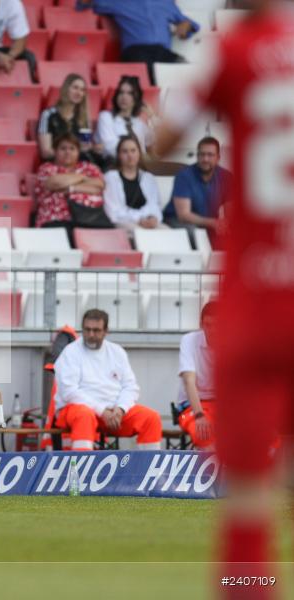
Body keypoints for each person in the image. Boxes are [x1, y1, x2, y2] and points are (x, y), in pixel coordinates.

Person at [153, 0, 294, 575]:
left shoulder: (232, 52)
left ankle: (249, 584)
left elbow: (162, 143)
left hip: (255, 304)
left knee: (248, 499)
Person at [54, 309, 162, 451]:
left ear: (106, 331)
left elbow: (131, 387)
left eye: (96, 330)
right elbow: (69, 392)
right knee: (84, 415)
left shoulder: (117, 352)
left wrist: (120, 409)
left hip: (113, 414)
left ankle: (150, 470)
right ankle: (81, 471)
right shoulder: (71, 352)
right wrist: (102, 411)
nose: (91, 335)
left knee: (151, 418)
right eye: (87, 330)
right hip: (77, 411)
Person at [76, 0, 199, 83]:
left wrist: (185, 26)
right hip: (137, 51)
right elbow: (83, 4)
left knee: (188, 73)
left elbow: (190, 24)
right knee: (154, 75)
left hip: (163, 52)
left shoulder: (165, 2)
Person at [162, 137, 231, 244]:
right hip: (177, 220)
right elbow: (184, 215)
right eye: (202, 154)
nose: (205, 159)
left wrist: (226, 225)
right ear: (197, 156)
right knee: (194, 232)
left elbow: (231, 211)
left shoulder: (226, 177)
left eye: (210, 155)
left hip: (209, 222)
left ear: (218, 158)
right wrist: (213, 223)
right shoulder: (184, 176)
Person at [33, 134, 106, 233]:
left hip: (90, 220)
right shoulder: (47, 168)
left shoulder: (89, 167)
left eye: (72, 148)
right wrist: (83, 177)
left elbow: (99, 186)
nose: (68, 152)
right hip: (55, 220)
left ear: (78, 152)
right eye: (63, 148)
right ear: (55, 151)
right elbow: (54, 183)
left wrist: (71, 188)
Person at [175, 302, 217, 451]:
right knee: (204, 434)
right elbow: (188, 380)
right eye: (208, 325)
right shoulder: (189, 340)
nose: (212, 330)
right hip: (193, 404)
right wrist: (199, 415)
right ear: (201, 324)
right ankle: (212, 474)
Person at [103, 136, 163, 232]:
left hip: (148, 221)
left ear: (139, 153)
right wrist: (139, 219)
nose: (130, 155)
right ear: (118, 155)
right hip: (124, 222)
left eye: (133, 151)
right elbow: (113, 211)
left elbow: (155, 205)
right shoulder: (111, 177)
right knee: (142, 235)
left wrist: (153, 218)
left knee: (170, 235)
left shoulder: (148, 178)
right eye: (125, 151)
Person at [38, 74, 100, 162]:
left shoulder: (83, 117)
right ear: (66, 89)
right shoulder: (49, 115)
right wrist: (71, 152)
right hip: (57, 164)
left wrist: (93, 148)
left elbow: (85, 146)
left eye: (82, 90)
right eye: (75, 88)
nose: (79, 93)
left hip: (80, 163)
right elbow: (46, 152)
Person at [95, 76, 156, 163]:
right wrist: (141, 156)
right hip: (115, 165)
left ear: (137, 98)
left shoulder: (138, 122)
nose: (124, 97)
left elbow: (158, 141)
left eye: (130, 93)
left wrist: (152, 117)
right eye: (121, 92)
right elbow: (110, 147)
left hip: (141, 168)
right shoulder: (106, 117)